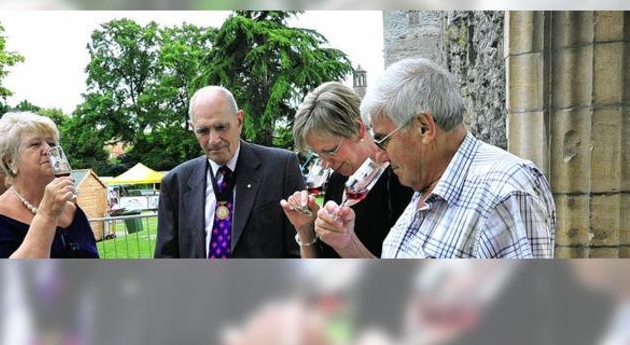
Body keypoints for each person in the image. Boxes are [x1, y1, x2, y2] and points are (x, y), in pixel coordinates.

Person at [315, 58, 556, 258]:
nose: (380, 154)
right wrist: (346, 242)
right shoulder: (426, 183)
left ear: (424, 128)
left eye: (383, 139)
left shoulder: (504, 191)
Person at [154, 86, 306, 258]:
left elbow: (299, 251)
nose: (213, 140)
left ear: (239, 120)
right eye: (203, 131)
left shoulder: (281, 168)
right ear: (192, 127)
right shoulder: (175, 183)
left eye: (221, 127)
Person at [280, 82, 412, 258]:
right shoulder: (338, 180)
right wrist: (305, 229)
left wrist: (347, 243)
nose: (325, 164)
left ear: (358, 129)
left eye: (330, 151)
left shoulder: (401, 179)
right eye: (318, 155)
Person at [0, 112, 98, 258]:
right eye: (35, 144)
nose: (48, 150)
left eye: (52, 143)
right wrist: (47, 215)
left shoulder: (73, 211)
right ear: (11, 162)